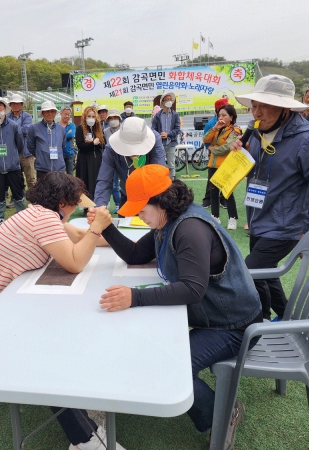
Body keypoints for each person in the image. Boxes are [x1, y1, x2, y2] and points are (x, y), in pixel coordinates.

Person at [89, 164, 262, 448]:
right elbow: (135, 254)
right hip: (215, 316)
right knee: (159, 352)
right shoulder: (169, 220)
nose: (138, 216)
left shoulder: (189, 228)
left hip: (235, 326)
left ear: (160, 201)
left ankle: (223, 413)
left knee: (172, 364)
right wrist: (106, 228)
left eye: (141, 209)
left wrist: (136, 297)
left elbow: (193, 290)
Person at [0, 172, 124, 450]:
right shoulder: (44, 220)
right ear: (62, 202)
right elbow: (75, 261)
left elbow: (82, 238)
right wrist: (97, 228)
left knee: (62, 331)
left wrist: (126, 244)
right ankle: (84, 439)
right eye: (74, 200)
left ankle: (82, 397)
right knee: (47, 358)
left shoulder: (44, 215)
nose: (77, 205)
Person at [231, 74, 309, 320]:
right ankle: (290, 320)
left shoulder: (307, 140)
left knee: (250, 272)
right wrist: (243, 155)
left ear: (284, 109)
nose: (256, 113)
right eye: (254, 106)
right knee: (266, 274)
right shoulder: (256, 134)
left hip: (286, 225)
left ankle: (262, 322)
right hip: (259, 218)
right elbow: (258, 172)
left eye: (264, 106)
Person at [94, 116, 166, 210]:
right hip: (127, 194)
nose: (133, 152)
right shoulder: (111, 148)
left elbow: (159, 175)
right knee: (124, 222)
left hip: (151, 195)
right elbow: (104, 180)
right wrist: (99, 207)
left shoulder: (155, 140)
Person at [0, 97, 28, 229]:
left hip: (13, 166)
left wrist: (12, 156)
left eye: (0, 105)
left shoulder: (14, 126)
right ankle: (0, 218)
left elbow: (19, 144)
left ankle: (21, 217)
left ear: (5, 108)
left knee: (18, 191)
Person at [203, 104, 241, 229]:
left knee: (227, 192)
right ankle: (215, 216)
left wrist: (213, 149)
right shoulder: (217, 128)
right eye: (219, 115)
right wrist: (214, 128)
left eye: (224, 115)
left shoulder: (235, 130)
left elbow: (227, 148)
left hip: (226, 165)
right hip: (213, 164)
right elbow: (205, 139)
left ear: (231, 117)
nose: (221, 118)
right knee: (213, 191)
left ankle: (233, 218)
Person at [202, 98, 230, 209]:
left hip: (227, 155)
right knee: (212, 179)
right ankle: (208, 199)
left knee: (226, 177)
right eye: (223, 107)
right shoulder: (211, 124)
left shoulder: (231, 124)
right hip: (214, 155)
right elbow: (206, 140)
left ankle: (224, 199)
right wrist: (211, 149)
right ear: (217, 110)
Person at [27, 100, 66, 178]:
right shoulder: (34, 128)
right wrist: (41, 155)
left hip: (58, 168)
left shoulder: (61, 128)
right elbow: (30, 146)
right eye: (47, 111)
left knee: (59, 190)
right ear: (42, 113)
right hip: (42, 169)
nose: (50, 113)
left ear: (55, 113)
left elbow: (62, 146)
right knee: (43, 190)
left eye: (52, 111)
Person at [75, 105, 105, 205]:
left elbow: (103, 145)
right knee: (85, 182)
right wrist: (92, 143)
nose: (91, 119)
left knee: (95, 181)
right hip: (84, 159)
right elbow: (80, 145)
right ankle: (85, 206)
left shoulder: (98, 129)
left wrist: (97, 143)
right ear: (85, 117)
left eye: (93, 116)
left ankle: (96, 203)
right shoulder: (80, 128)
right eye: (89, 116)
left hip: (96, 159)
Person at [8, 93, 36, 190]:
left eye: (18, 103)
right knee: (15, 177)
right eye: (13, 103)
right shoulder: (7, 117)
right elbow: (7, 132)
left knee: (30, 178)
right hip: (13, 152)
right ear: (10, 105)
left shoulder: (27, 116)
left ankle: (34, 198)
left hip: (26, 152)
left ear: (22, 104)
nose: (16, 105)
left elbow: (26, 130)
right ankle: (17, 197)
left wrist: (13, 130)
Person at [151, 92, 180, 179]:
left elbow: (177, 129)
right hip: (160, 143)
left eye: (170, 99)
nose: (169, 101)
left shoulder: (175, 115)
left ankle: (172, 181)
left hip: (171, 142)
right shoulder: (157, 116)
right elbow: (153, 129)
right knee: (160, 163)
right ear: (162, 102)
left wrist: (168, 134)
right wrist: (159, 136)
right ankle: (161, 181)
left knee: (171, 163)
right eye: (166, 100)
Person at [103, 109, 123, 213]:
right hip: (112, 161)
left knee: (126, 183)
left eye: (115, 118)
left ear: (119, 119)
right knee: (114, 184)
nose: (113, 120)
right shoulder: (106, 131)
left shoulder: (124, 129)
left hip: (124, 160)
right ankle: (118, 204)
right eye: (111, 118)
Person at [59, 106, 76, 175]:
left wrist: (61, 134)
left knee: (70, 174)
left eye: (69, 115)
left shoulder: (72, 125)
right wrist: (67, 133)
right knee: (60, 174)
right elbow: (56, 137)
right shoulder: (57, 125)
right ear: (61, 114)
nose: (67, 116)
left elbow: (71, 135)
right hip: (59, 153)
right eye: (65, 114)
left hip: (70, 153)